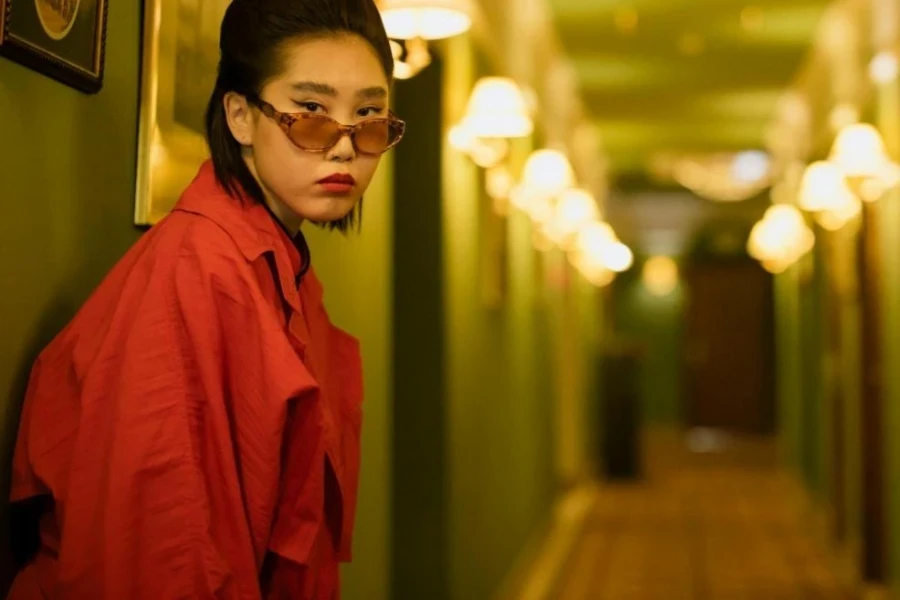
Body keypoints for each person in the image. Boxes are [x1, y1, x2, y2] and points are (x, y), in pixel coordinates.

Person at [6, 0, 405, 598]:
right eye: (311, 111)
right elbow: (164, 557)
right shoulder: (194, 274)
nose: (345, 146)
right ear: (240, 116)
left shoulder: (276, 261)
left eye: (369, 114)